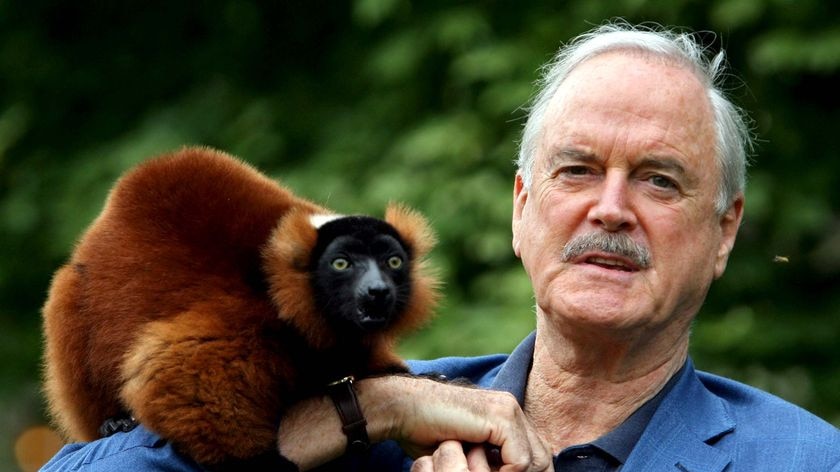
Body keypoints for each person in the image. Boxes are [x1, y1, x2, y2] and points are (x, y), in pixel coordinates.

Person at [41, 21, 840, 472]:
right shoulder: (382, 412)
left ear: (726, 230)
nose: (610, 209)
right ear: (522, 210)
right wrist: (361, 412)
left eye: (660, 181)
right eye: (577, 170)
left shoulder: (804, 458)